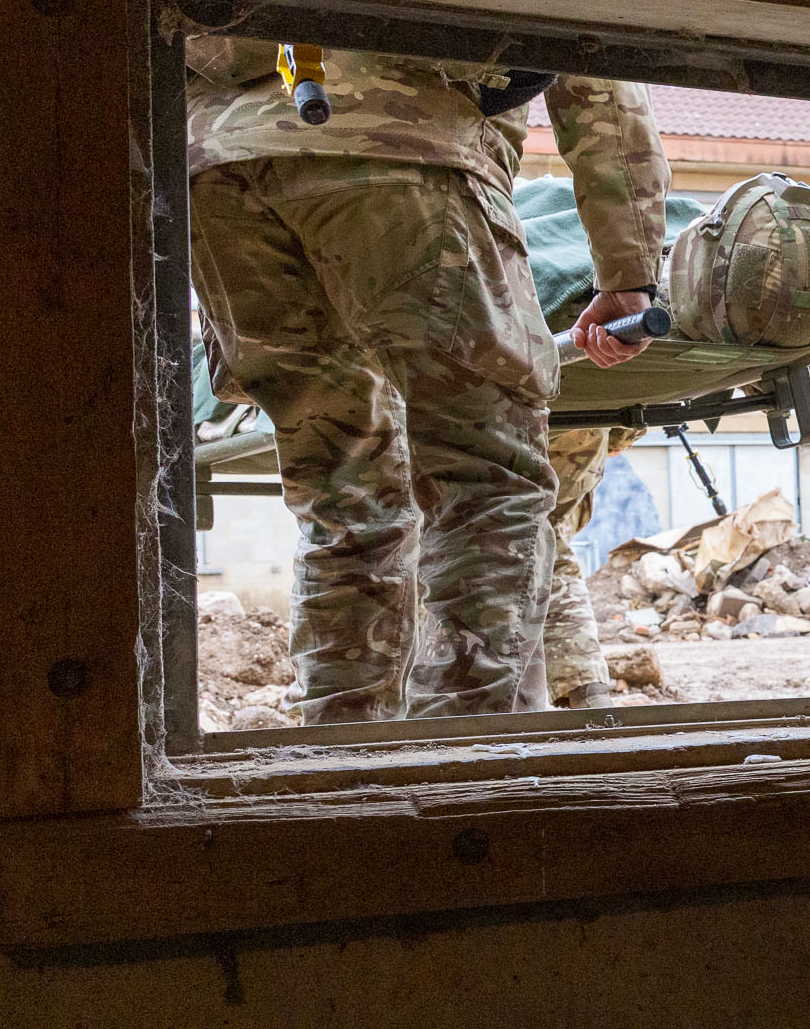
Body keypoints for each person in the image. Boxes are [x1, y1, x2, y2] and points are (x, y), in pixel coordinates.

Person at [184, 44, 669, 723]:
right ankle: (451, 772)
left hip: (217, 168)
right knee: (486, 480)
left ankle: (344, 769)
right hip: (397, 137)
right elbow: (592, 61)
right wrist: (628, 270)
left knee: (343, 493)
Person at [541, 422, 646, 706]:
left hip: (496, 432)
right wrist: (623, 434)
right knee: (549, 557)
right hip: (576, 439)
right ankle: (588, 695)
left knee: (543, 555)